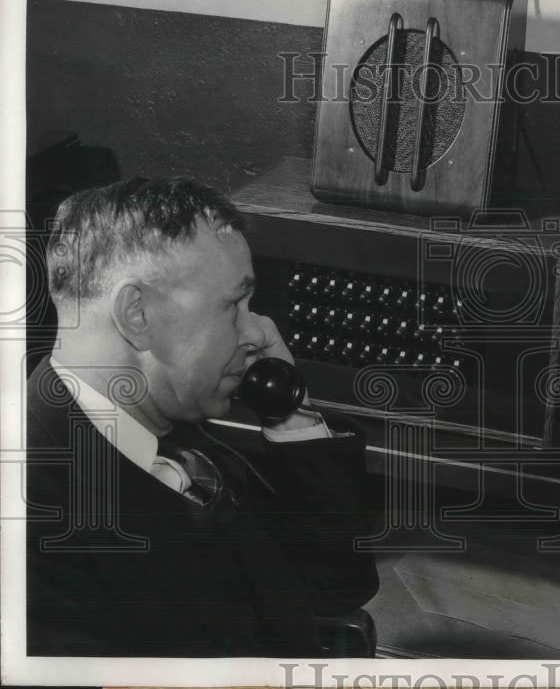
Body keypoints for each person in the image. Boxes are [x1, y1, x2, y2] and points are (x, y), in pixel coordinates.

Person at [25, 177, 379, 657]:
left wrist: (289, 415)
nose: (259, 333)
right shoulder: (33, 527)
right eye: (233, 305)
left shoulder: (180, 430)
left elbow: (333, 587)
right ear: (137, 314)